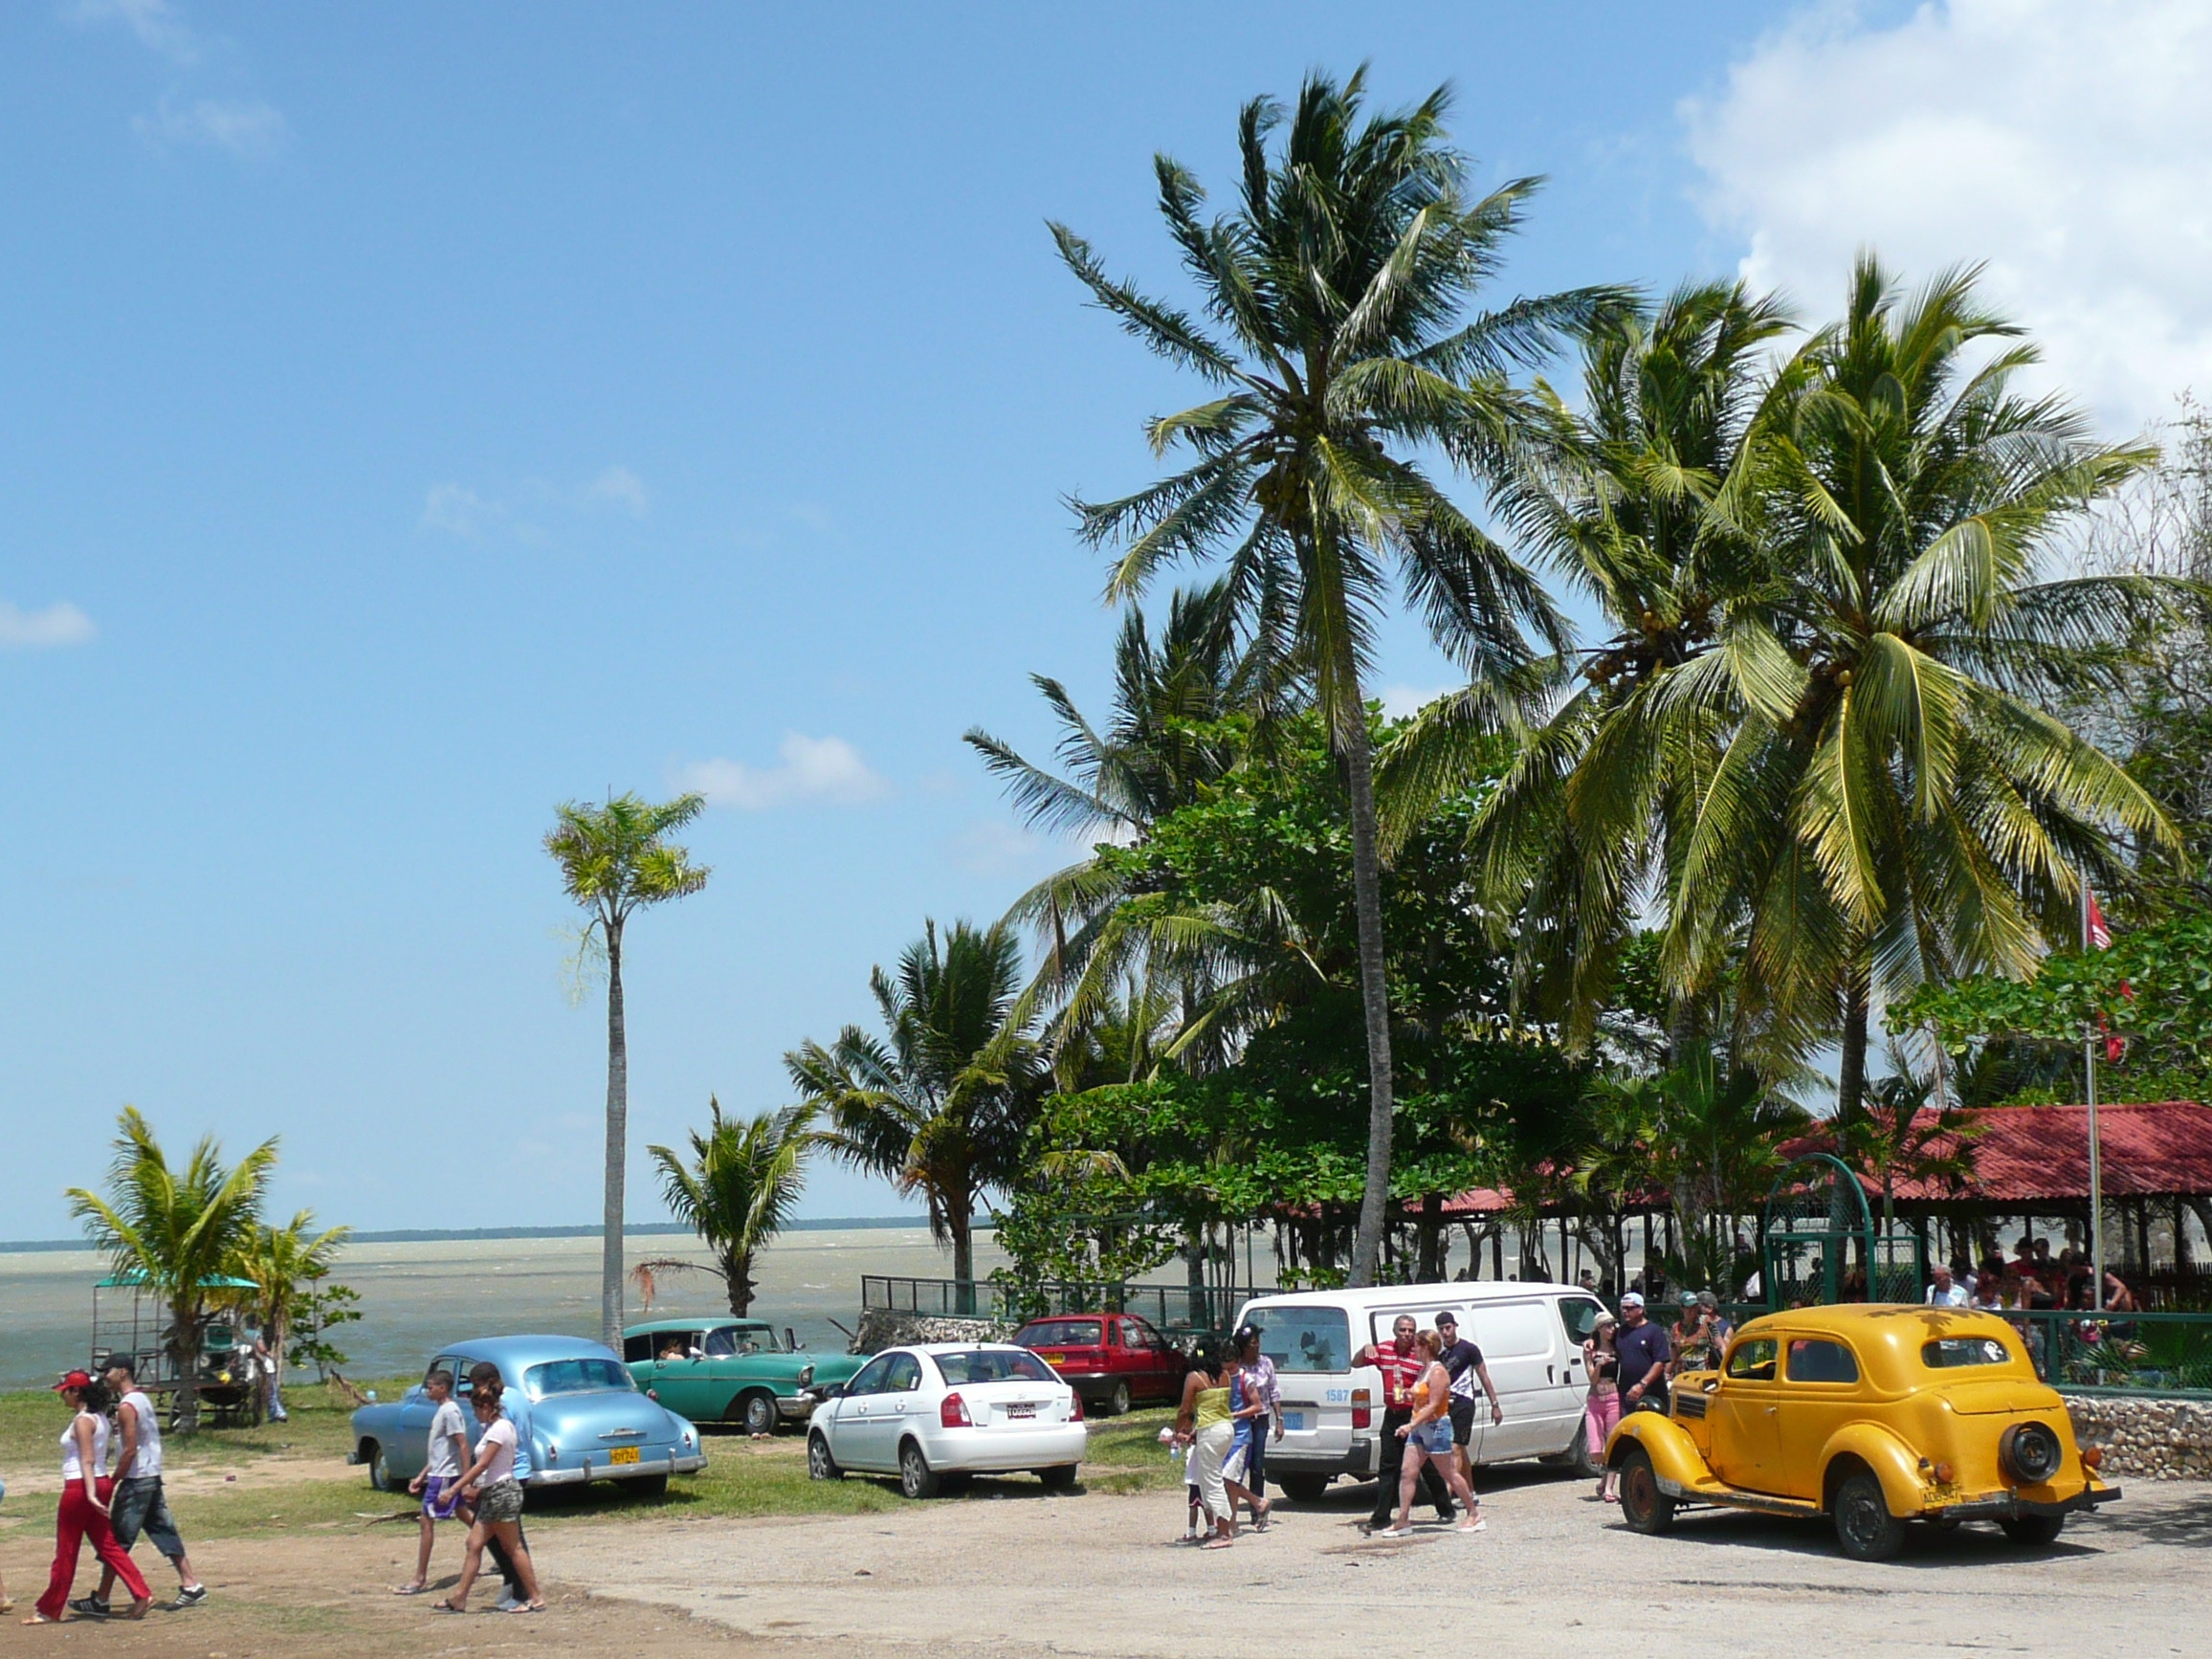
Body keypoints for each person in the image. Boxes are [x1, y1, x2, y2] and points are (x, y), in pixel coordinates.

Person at [72, 1360, 205, 1618]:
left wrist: (114, 1479)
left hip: (136, 1479)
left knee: (117, 1540)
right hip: (151, 1475)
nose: (105, 1377)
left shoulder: (127, 1406)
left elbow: (130, 1449)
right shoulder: (142, 1399)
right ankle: (191, 1584)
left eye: (108, 1372)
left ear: (123, 1372)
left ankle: (102, 1598)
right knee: (162, 1529)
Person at [26, 1371, 150, 1625]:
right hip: (99, 1481)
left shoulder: (83, 1420)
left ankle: (50, 1609)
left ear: (76, 1392)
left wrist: (90, 1493)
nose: (62, 1397)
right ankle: (142, 1593)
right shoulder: (100, 1417)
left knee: (67, 1549)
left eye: (65, 1392)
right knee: (108, 1545)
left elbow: (88, 1459)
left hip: (81, 1486)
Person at [434, 1374, 544, 1614]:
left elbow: (483, 1464)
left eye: (476, 1409)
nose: (474, 1415)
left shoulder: (500, 1429)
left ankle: (535, 1597)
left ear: (486, 1407)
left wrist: (455, 1488)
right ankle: (459, 1598)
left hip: (502, 1493)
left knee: (513, 1548)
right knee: (473, 1543)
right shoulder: (495, 1428)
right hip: (494, 1492)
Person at [1373, 1332, 1484, 1538]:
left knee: (1449, 1473)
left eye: (1416, 1345)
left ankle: (1474, 1514)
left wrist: (1410, 1425)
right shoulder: (1423, 1370)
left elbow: (1434, 1405)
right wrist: (1409, 1395)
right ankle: (1403, 1519)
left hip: (1436, 1427)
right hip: (1420, 1428)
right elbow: (1422, 1397)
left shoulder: (1438, 1371)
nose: (1413, 1348)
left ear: (1426, 1347)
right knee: (1407, 1472)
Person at [1356, 1315, 1456, 1536]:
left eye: (1411, 1330)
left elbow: (1436, 1378)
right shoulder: (1384, 1350)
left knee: (1428, 1467)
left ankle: (1445, 1508)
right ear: (1395, 1331)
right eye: (1403, 1330)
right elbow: (1356, 1363)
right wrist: (1365, 1349)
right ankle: (1381, 1517)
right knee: (1388, 1467)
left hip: (1415, 1416)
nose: (1407, 1334)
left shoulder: (1419, 1353)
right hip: (1392, 1415)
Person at [464, 1361, 537, 1609]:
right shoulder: (518, 1396)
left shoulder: (500, 1406)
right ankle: (512, 1582)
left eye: (477, 1386)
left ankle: (522, 1589)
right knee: (492, 1535)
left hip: (505, 1474)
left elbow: (495, 1450)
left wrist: (475, 1483)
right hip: (517, 1468)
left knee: (510, 1540)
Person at [397, 1369, 472, 1596]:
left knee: (426, 1520)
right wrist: (421, 1476)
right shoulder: (441, 1411)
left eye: (431, 1387)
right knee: (465, 1515)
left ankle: (419, 1578)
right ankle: (499, 1548)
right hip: (439, 1472)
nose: (428, 1391)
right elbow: (440, 1453)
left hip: (445, 1476)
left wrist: (466, 1480)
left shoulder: (450, 1411)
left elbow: (463, 1445)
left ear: (443, 1388)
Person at [1172, 1344, 1254, 1549]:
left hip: (1210, 1432)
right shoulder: (1225, 1375)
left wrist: (1177, 1431)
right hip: (1226, 1429)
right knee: (1211, 1478)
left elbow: (1185, 1410)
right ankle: (1219, 1528)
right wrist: (1196, 1431)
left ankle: (1224, 1533)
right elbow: (1216, 1407)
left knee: (1212, 1482)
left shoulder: (1194, 1378)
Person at [1431, 1312, 1500, 1485]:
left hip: (1464, 1402)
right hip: (1444, 1405)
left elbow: (1484, 1376)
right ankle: (1469, 1491)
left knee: (1455, 1448)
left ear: (1455, 1326)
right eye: (1441, 1329)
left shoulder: (1469, 1349)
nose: (1445, 1332)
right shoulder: (1439, 1352)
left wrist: (1495, 1405)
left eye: (1448, 1328)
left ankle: (1448, 1493)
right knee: (1459, 1449)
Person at [1227, 1325, 1278, 1525]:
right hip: (1239, 1421)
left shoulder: (1266, 1363)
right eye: (1251, 1344)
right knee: (1236, 1466)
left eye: (1257, 1343)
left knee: (1257, 1466)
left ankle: (1257, 1512)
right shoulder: (1236, 1367)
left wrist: (1279, 1419)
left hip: (1260, 1420)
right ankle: (1231, 1511)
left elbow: (1273, 1391)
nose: (1256, 1347)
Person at [1582, 1311, 1622, 1502]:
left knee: (1612, 1443)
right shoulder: (1591, 1350)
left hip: (1613, 1397)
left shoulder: (1617, 1347)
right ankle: (1604, 1478)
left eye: (1613, 1325)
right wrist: (1599, 1365)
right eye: (1607, 1326)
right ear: (1599, 1328)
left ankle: (1609, 1488)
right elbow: (1592, 1378)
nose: (1611, 1329)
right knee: (1595, 1450)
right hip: (1595, 1399)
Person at [1614, 1293, 1671, 1417]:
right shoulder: (1621, 1331)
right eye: (1623, 1308)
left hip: (1652, 1394)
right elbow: (1603, 1340)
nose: (1625, 1311)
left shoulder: (1654, 1331)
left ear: (1640, 1309)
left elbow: (1660, 1362)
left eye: (1629, 1308)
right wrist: (1591, 1341)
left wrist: (1642, 1385)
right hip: (1628, 1393)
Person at [252, 1334, 288, 1424]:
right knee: (272, 1393)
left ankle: (275, 1414)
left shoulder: (246, 1334)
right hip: (267, 1371)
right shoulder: (256, 1334)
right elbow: (261, 1348)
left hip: (265, 1370)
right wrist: (268, 1353)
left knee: (272, 1394)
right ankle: (278, 1414)